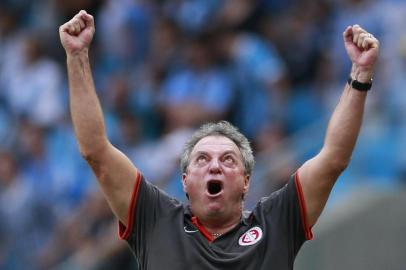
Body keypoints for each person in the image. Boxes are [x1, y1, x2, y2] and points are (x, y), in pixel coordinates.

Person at [59, 10, 380, 270]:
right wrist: (76, 56)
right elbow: (96, 152)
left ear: (245, 181)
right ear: (185, 181)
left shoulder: (276, 222)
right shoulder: (155, 220)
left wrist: (360, 75)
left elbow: (334, 157)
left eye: (228, 159)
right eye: (202, 159)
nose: (215, 165)